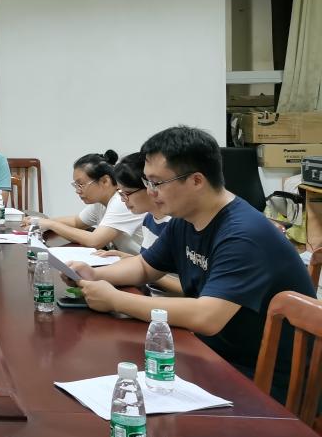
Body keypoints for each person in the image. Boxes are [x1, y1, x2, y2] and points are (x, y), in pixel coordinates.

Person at [67, 126, 315, 396]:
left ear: (196, 181)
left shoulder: (243, 234)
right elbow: (144, 266)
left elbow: (206, 317)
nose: (150, 192)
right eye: (147, 182)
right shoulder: (185, 219)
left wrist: (115, 300)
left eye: (157, 183)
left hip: (266, 380)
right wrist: (93, 274)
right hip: (214, 355)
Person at [92, 152, 181, 294]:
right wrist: (130, 259)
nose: (123, 199)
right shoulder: (149, 219)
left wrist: (150, 271)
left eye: (127, 193)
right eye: (120, 193)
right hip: (147, 294)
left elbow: (189, 289)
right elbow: (149, 263)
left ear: (150, 186)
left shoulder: (177, 225)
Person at [27, 151, 146, 254]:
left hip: (142, 268)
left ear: (105, 181)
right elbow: (76, 222)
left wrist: (50, 224)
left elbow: (94, 241)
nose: (77, 191)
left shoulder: (122, 201)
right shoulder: (101, 203)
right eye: (76, 185)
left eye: (81, 184)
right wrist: (38, 221)